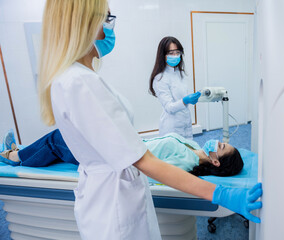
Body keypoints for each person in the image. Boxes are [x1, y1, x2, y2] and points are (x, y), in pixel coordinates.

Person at [36, 1, 262, 239]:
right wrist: (220, 194)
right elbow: (145, 161)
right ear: (85, 22)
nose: (109, 28)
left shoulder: (79, 77)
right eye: (107, 18)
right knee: (53, 143)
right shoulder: (80, 82)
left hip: (116, 189)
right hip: (114, 204)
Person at [1, 130, 243, 177]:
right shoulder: (192, 146)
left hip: (114, 158)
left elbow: (153, 174)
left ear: (215, 162)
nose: (217, 142)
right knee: (67, 136)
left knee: (58, 139)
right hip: (120, 143)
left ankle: (16, 157)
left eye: (221, 147)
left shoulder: (187, 161)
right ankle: (20, 152)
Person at [149, 36, 201, 139]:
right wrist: (186, 100)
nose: (175, 55)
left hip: (185, 120)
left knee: (190, 150)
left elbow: (181, 98)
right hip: (171, 127)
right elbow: (169, 107)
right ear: (163, 55)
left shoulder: (179, 73)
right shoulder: (160, 78)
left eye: (177, 52)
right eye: (171, 53)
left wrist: (191, 99)